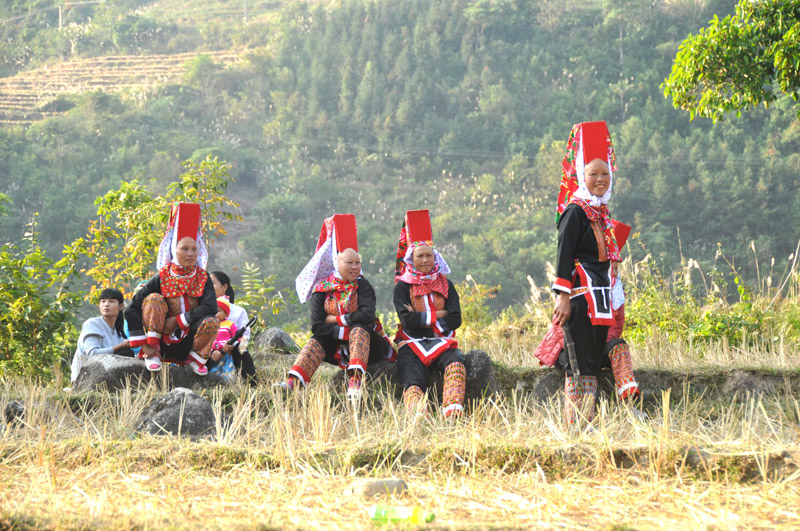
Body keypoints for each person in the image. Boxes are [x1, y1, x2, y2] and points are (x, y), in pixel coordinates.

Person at [551, 120, 631, 423]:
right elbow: (564, 254)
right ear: (581, 177)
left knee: (592, 362)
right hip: (581, 298)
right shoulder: (575, 211)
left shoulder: (600, 212)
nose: (600, 179)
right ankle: (575, 426)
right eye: (593, 173)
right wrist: (563, 296)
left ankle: (588, 423)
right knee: (578, 362)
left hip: (600, 300)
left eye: (605, 173)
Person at [279, 214, 396, 400]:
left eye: (358, 263)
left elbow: (366, 316)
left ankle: (355, 383)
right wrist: (344, 330)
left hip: (370, 346)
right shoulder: (321, 290)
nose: (355, 267)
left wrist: (335, 320)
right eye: (349, 262)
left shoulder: (363, 285)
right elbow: (317, 326)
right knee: (317, 339)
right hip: (338, 347)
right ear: (336, 263)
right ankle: (293, 383)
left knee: (359, 329)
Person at [126, 202, 219, 375]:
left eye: (194, 249)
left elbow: (211, 307)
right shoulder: (161, 276)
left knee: (212, 321)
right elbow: (132, 307)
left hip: (189, 341)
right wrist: (144, 345)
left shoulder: (202, 277)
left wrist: (178, 320)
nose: (190, 254)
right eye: (184, 249)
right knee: (153, 299)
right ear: (173, 250)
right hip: (159, 343)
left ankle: (195, 359)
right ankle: (152, 352)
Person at [393, 209, 466, 418]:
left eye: (429, 255)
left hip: (443, 341)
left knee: (456, 362)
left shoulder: (445, 284)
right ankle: (420, 419)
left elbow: (456, 319)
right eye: (420, 256)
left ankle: (452, 413)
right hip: (412, 344)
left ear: (436, 258)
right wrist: (440, 313)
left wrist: (421, 317)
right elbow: (407, 322)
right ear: (410, 259)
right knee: (412, 379)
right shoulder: (402, 287)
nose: (425, 260)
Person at [70, 288, 133, 383]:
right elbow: (92, 354)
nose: (106, 305)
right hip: (85, 379)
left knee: (128, 353)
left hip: (107, 376)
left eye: (111, 301)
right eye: (103, 301)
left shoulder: (118, 333)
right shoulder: (93, 323)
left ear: (121, 306)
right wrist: (120, 346)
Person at [209, 270, 258, 384]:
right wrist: (212, 351)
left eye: (212, 283)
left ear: (224, 287)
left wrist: (232, 346)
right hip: (210, 350)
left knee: (242, 351)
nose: (209, 287)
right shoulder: (203, 309)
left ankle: (251, 384)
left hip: (233, 350)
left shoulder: (239, 311)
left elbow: (245, 337)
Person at [207, 297, 238, 380]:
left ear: (225, 314)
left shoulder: (230, 324)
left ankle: (228, 387)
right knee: (214, 372)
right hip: (215, 354)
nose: (215, 313)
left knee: (228, 373)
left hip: (227, 354)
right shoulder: (209, 324)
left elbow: (237, 337)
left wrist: (231, 345)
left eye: (218, 311)